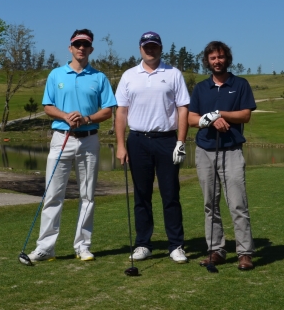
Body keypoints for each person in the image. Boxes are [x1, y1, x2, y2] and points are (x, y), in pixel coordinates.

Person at [27, 29, 117, 262]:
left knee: (87, 196)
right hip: (61, 138)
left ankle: (83, 246)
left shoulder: (99, 78)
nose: (81, 48)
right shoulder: (56, 75)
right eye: (77, 44)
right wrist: (66, 116)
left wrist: (86, 118)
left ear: (91, 49)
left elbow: (108, 110)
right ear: (70, 48)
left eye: (85, 45)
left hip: (89, 139)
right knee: (53, 195)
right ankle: (46, 247)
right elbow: (48, 106)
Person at [115, 31, 191, 263]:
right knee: (141, 194)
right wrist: (120, 145)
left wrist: (180, 141)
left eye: (154, 46)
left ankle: (176, 245)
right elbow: (121, 112)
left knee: (170, 194)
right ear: (140, 49)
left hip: (166, 140)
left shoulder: (173, 74)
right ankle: (143, 244)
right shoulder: (129, 76)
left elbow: (183, 109)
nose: (150, 50)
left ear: (160, 48)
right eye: (146, 46)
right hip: (137, 140)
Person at [188, 41, 257, 271]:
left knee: (237, 203)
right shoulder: (200, 88)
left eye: (220, 57)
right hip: (205, 151)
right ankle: (216, 249)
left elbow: (245, 115)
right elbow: (190, 119)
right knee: (210, 204)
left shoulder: (240, 84)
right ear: (207, 61)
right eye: (212, 58)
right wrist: (208, 119)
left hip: (232, 151)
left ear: (227, 58)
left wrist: (220, 114)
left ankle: (244, 252)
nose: (217, 61)